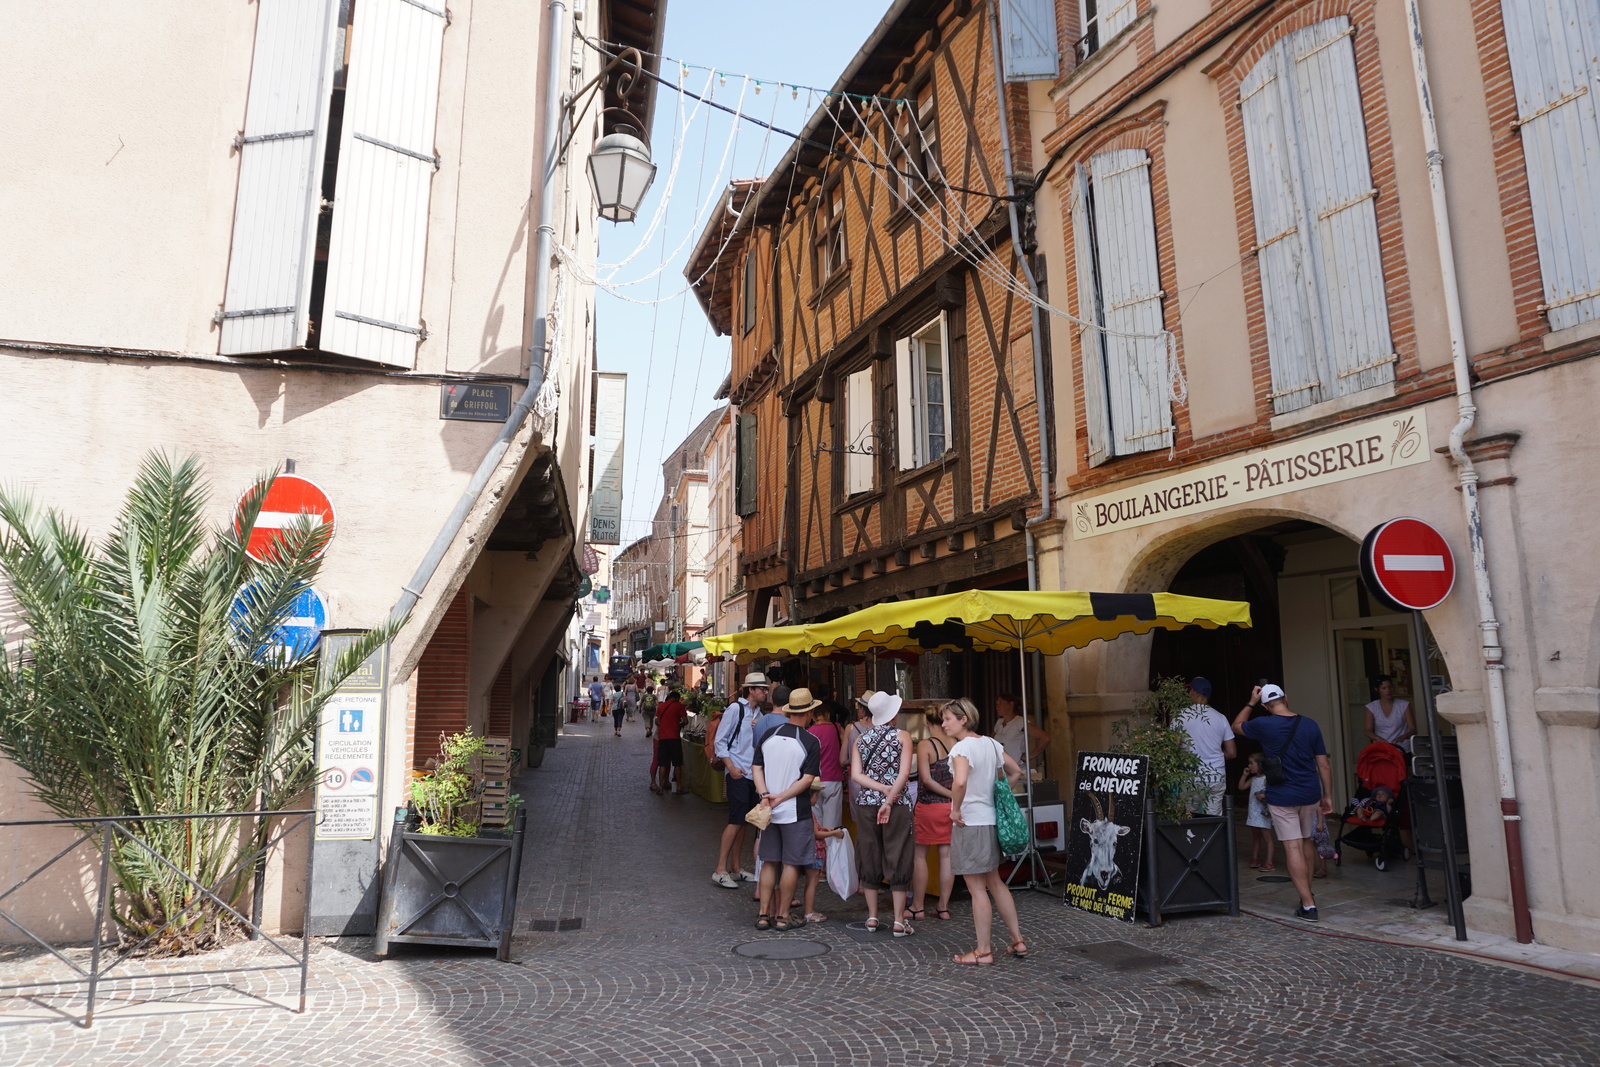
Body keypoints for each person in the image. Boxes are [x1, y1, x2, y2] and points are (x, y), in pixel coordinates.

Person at [1232, 684, 1333, 922]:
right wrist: (1327, 795)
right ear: (1286, 698)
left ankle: (1308, 904)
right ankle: (1306, 895)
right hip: (1309, 792)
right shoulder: (1310, 724)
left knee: (1292, 846)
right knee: (1306, 840)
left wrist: (1251, 702)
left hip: (1282, 794)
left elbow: (1236, 726)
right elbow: (1324, 764)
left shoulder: (1264, 724)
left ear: (1266, 706)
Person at [944, 697, 1027, 965]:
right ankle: (1018, 940)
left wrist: (955, 809)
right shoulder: (991, 743)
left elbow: (960, 782)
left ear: (963, 720)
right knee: (995, 882)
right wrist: (999, 792)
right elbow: (1015, 771)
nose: (944, 724)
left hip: (970, 823)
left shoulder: (961, 749)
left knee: (977, 888)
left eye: (948, 719)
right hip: (991, 821)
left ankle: (983, 951)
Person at [751, 688, 824, 932]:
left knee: (769, 861)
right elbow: (807, 779)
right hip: (794, 810)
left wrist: (765, 796)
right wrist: (781, 797)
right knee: (792, 863)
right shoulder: (810, 741)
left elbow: (756, 767)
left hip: (768, 809)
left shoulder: (770, 734)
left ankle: (763, 915)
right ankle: (782, 916)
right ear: (810, 712)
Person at [850, 691, 916, 936]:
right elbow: (904, 774)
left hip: (866, 803)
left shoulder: (861, 740)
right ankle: (899, 921)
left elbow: (856, 775)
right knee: (897, 852)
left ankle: (872, 917)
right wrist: (889, 797)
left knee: (869, 852)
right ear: (893, 714)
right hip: (897, 804)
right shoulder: (903, 737)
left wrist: (878, 788)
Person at [710, 672, 770, 889]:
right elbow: (720, 740)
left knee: (744, 820)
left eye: (766, 689)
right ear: (751, 689)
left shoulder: (760, 715)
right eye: (762, 688)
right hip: (738, 772)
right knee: (735, 820)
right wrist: (731, 768)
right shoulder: (736, 708)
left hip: (752, 775)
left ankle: (735, 868)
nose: (765, 692)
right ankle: (720, 869)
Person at [908, 705, 956, 923]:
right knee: (946, 857)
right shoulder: (955, 742)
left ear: (927, 723)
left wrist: (946, 793)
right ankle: (943, 907)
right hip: (951, 807)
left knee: (920, 856)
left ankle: (918, 906)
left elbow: (926, 780)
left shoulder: (926, 745)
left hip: (928, 807)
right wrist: (953, 796)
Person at [1174, 677, 1236, 816]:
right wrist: (1215, 754)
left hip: (1190, 776)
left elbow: (1174, 747)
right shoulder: (1221, 718)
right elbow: (1232, 753)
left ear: (1193, 692)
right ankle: (1213, 838)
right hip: (1215, 775)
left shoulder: (1180, 717)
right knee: (1214, 818)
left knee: (1189, 816)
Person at [806, 693, 847, 832]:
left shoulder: (809, 732)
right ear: (828, 714)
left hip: (814, 780)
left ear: (813, 716)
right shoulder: (837, 728)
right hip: (833, 779)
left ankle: (819, 852)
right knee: (833, 824)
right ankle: (832, 851)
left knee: (816, 824)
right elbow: (846, 746)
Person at [1238, 752, 1278, 871]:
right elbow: (1241, 787)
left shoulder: (1266, 779)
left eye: (1251, 763)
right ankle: (1254, 858)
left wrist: (1263, 795)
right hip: (1253, 813)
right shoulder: (1253, 779)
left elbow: (1271, 793)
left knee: (1267, 838)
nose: (1249, 766)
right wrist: (1244, 775)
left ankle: (1269, 862)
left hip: (1262, 813)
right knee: (1255, 837)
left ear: (1260, 765)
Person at [993, 693, 1049, 774]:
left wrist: (1029, 756)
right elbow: (991, 739)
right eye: (996, 704)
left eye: (1000, 703)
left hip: (1017, 769)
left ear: (1011, 704)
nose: (997, 706)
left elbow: (1045, 738)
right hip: (1000, 769)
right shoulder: (999, 723)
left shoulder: (1020, 721)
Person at [1364, 676, 1416, 753]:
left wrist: (1404, 736)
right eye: (1384, 688)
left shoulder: (1404, 705)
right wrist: (1377, 738)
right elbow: (1367, 730)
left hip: (1402, 749)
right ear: (1377, 690)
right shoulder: (1372, 707)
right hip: (1382, 749)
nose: (1388, 690)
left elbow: (1413, 729)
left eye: (1390, 687)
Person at [653, 687, 688, 795]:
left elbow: (657, 721)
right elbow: (685, 721)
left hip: (663, 738)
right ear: (677, 698)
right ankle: (678, 786)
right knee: (677, 763)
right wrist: (678, 725)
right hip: (674, 738)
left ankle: (660, 787)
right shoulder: (679, 706)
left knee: (662, 763)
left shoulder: (661, 705)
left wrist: (664, 726)